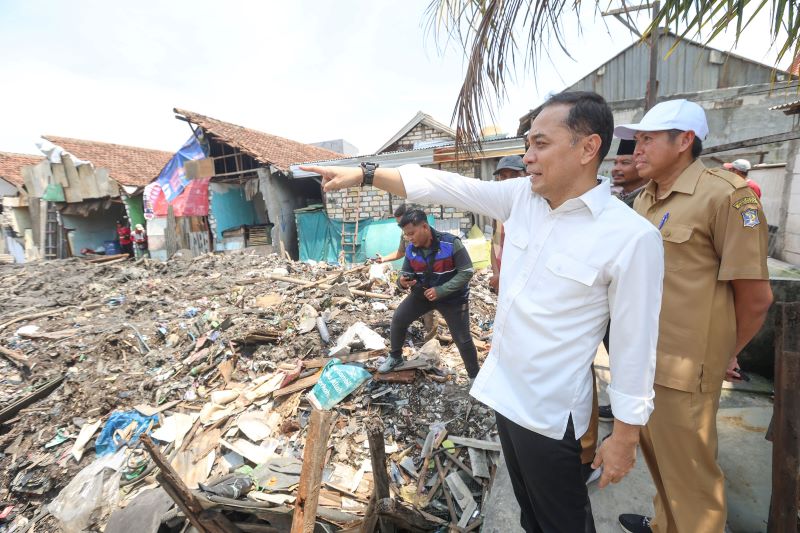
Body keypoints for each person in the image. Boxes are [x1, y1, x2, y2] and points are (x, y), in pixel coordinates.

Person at [301, 91, 665, 532]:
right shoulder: (520, 199)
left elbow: (634, 347)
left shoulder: (631, 238)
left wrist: (626, 436)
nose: (528, 157)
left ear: (588, 148)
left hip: (550, 415)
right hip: (504, 396)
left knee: (565, 523)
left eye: (541, 145)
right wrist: (366, 172)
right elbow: (444, 185)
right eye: (528, 144)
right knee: (532, 517)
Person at [614, 99, 773, 533]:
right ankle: (666, 523)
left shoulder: (726, 196)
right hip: (644, 359)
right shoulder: (645, 198)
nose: (636, 148)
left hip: (686, 365)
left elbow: (756, 298)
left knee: (691, 474)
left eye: (648, 139)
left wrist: (725, 352)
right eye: (637, 138)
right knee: (660, 459)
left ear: (684, 141)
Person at [378, 208, 479, 380]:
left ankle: (475, 377)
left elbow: (467, 271)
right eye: (406, 235)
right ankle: (395, 357)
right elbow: (404, 274)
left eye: (411, 233)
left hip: (452, 298)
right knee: (399, 319)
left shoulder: (451, 243)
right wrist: (401, 282)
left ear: (424, 227)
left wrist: (442, 290)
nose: (409, 238)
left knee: (462, 339)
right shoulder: (411, 249)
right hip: (422, 296)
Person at [377, 203, 437, 341]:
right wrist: (384, 258)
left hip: (428, 276)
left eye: (403, 222)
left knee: (429, 310)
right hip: (413, 276)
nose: (402, 227)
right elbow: (401, 252)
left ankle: (432, 343)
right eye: (399, 224)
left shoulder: (426, 232)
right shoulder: (404, 235)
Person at [489, 155, 526, 292]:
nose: (509, 181)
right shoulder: (497, 208)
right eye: (504, 176)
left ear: (526, 175)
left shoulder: (534, 207)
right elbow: (494, 244)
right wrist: (497, 273)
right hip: (502, 279)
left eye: (514, 175)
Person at [613, 139, 648, 207]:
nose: (615, 169)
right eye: (615, 163)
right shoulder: (611, 199)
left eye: (625, 163)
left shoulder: (649, 200)